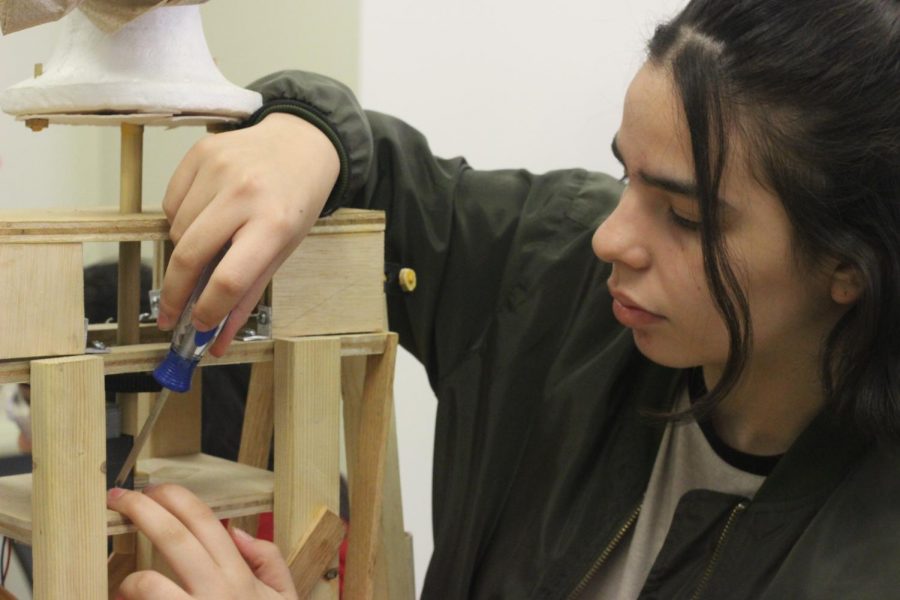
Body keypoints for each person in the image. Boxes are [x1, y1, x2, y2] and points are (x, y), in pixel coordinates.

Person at [105, 0, 900, 598]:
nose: (611, 240)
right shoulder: (556, 282)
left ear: (849, 264)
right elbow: (381, 175)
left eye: (685, 216)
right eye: (625, 175)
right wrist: (303, 132)